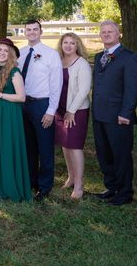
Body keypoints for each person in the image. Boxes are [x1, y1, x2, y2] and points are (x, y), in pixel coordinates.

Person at [92, 20, 137, 206]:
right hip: (99, 115)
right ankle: (111, 187)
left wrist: (126, 113)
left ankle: (125, 192)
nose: (106, 34)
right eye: (103, 32)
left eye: (110, 31)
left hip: (119, 116)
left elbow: (133, 88)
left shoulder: (129, 57)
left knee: (121, 155)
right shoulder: (98, 57)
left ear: (118, 33)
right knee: (104, 154)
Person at [17, 19, 62, 201]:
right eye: (28, 30)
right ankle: (30, 181)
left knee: (44, 148)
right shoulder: (20, 53)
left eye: (35, 29)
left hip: (42, 105)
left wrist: (51, 110)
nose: (32, 32)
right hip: (23, 105)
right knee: (28, 147)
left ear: (41, 32)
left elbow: (56, 84)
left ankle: (44, 186)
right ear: (25, 32)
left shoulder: (51, 54)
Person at [0, 38, 31, 202]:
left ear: (11, 54)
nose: (2, 53)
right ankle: (0, 187)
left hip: (11, 113)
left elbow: (21, 97)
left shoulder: (14, 72)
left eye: (5, 51)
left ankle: (12, 187)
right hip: (0, 112)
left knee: (9, 147)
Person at [54, 33, 92, 200]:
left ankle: (79, 185)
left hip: (76, 111)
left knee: (75, 146)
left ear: (78, 46)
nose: (68, 46)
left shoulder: (81, 63)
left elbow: (84, 90)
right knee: (65, 144)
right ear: (61, 45)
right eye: (65, 43)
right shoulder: (58, 61)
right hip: (60, 109)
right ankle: (71, 177)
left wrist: (72, 110)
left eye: (72, 43)